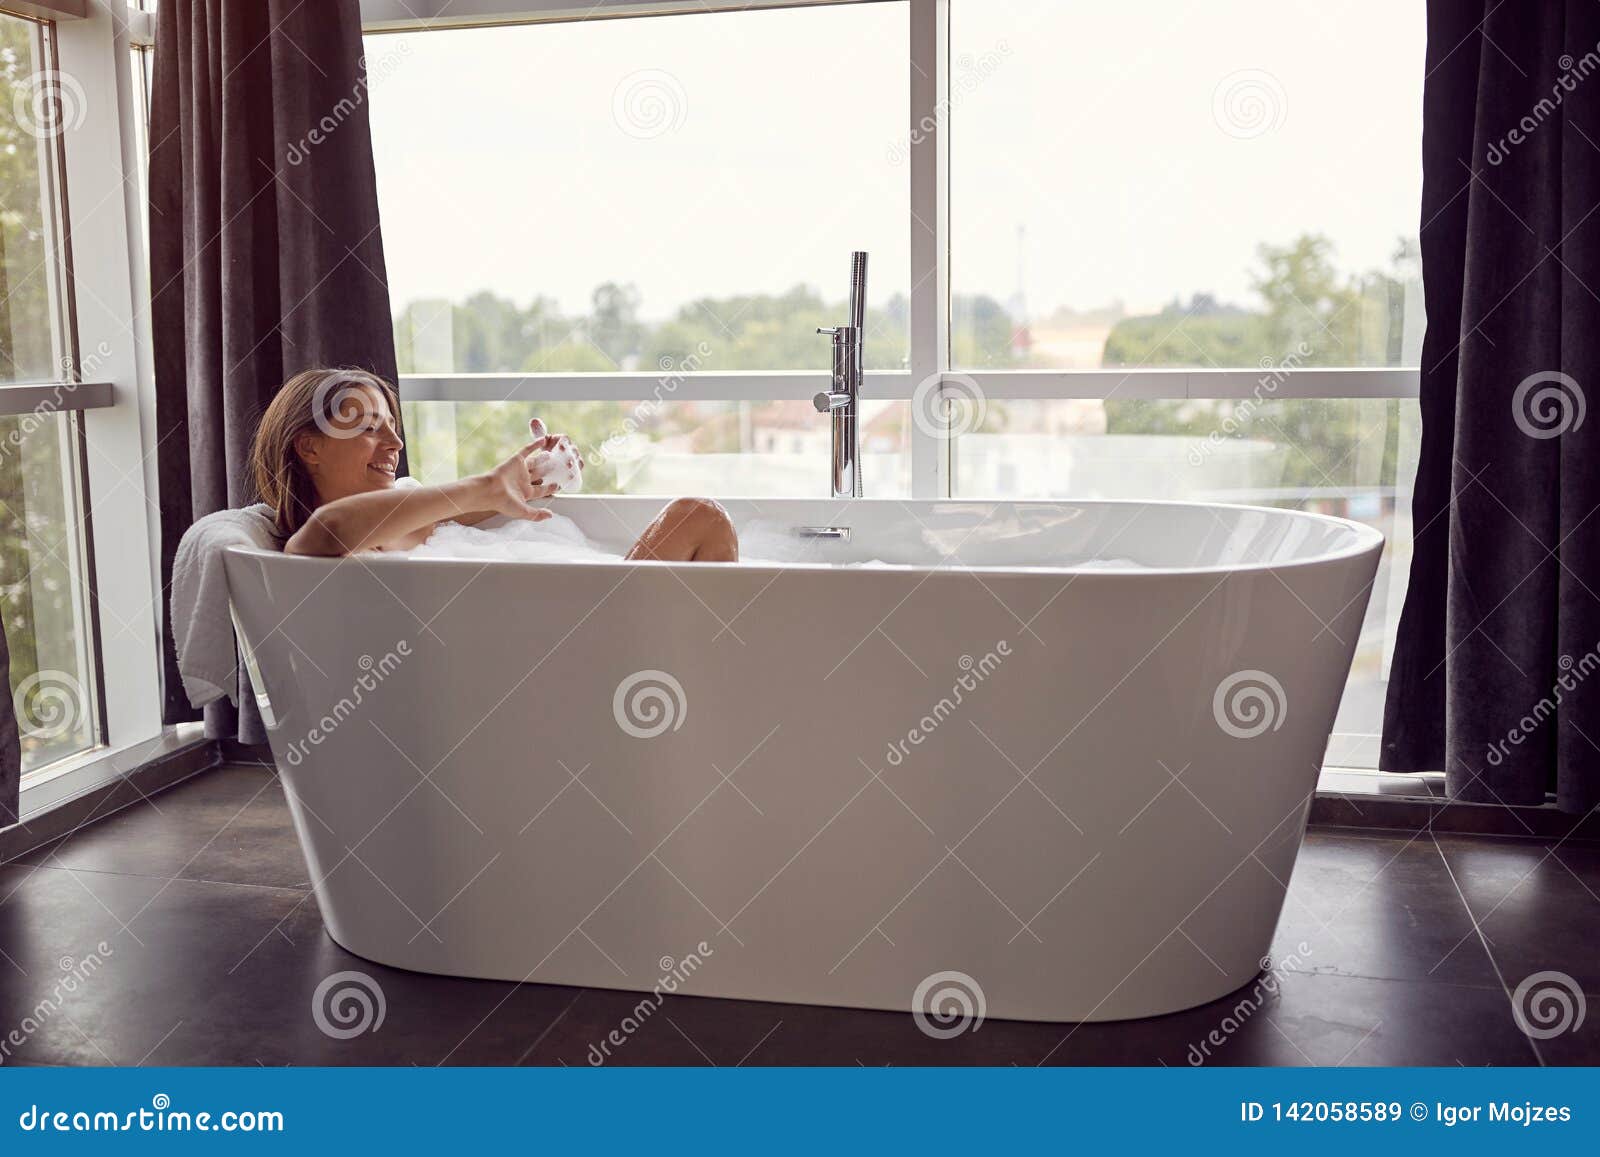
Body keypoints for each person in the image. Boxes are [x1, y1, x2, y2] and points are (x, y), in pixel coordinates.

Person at [249, 367, 738, 561]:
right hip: (580, 644)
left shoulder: (406, 509)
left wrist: (531, 479)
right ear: (309, 448)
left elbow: (456, 513)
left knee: (703, 516)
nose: (394, 441)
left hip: (576, 625)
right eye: (369, 427)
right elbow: (328, 529)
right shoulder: (313, 545)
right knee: (698, 515)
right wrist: (485, 484)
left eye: (393, 424)